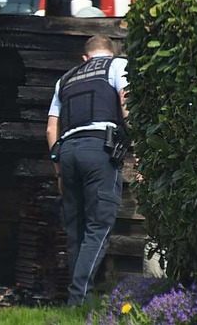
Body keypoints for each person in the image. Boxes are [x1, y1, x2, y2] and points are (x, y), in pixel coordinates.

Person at [46, 34, 129, 307]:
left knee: (77, 230)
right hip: (100, 150)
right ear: (110, 52)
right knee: (99, 228)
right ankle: (78, 300)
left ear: (85, 58)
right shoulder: (117, 66)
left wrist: (58, 170)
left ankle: (82, 301)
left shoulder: (65, 79)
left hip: (67, 152)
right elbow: (126, 105)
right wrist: (139, 147)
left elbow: (50, 129)